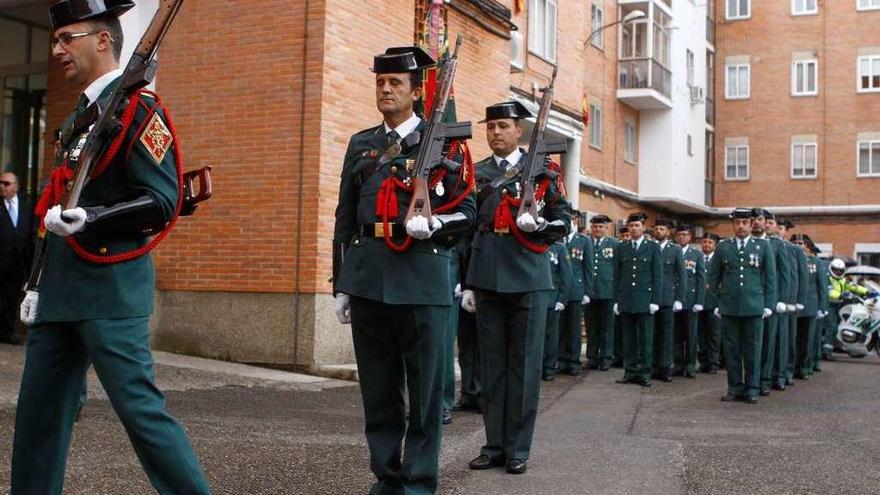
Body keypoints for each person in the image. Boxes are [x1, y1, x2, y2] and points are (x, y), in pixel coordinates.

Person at [12, 2, 212, 493]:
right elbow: (57, 203)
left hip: (110, 289)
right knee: (38, 418)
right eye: (55, 40)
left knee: (142, 414)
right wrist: (35, 281)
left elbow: (162, 200)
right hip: (60, 291)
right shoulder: (82, 115)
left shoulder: (140, 110)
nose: (57, 48)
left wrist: (94, 218)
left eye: (67, 38)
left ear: (103, 40)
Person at [332, 45, 476, 494]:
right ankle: (386, 479)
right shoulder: (362, 143)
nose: (386, 89)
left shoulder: (447, 143)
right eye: (380, 82)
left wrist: (434, 224)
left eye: (396, 82)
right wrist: (341, 281)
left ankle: (417, 483)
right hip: (369, 278)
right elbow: (345, 214)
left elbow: (468, 211)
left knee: (426, 393)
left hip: (421, 278)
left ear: (416, 91)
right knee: (378, 392)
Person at [462, 101, 570, 475]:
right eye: (490, 127)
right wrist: (468, 283)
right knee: (491, 367)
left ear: (519, 131)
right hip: (488, 277)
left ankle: (518, 448)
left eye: (502, 126)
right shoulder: (476, 173)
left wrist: (537, 225)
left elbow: (563, 223)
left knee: (523, 368)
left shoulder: (541, 172)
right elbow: (467, 231)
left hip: (528, 278)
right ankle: (493, 445)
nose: (495, 133)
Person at [708, 208, 776, 404]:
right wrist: (716, 302)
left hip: (754, 306)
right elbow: (713, 277)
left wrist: (768, 305)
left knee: (753, 349)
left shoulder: (762, 246)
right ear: (733, 224)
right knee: (731, 349)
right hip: (729, 306)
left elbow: (770, 278)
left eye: (744, 223)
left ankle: (752, 388)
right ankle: (734, 388)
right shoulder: (723, 247)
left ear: (751, 224)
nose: (740, 226)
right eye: (737, 223)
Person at [614, 212, 662, 387]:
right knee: (628, 339)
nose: (634, 229)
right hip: (627, 298)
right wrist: (616, 301)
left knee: (645, 339)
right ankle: (630, 371)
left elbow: (658, 275)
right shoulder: (622, 247)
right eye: (631, 226)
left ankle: (645, 373)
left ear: (643, 227)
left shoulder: (653, 247)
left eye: (637, 226)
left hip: (645, 299)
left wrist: (655, 300)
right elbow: (617, 275)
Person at [751, 209, 789, 397]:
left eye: (760, 219)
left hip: (770, 300)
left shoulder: (776, 244)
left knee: (767, 343)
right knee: (750, 344)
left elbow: (784, 274)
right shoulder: (745, 244)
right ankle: (750, 380)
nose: (757, 223)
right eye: (754, 220)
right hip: (750, 301)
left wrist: (781, 299)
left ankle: (764, 380)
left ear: (766, 222)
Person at [0, 172, 34, 345]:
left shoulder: (26, 207)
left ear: (16, 186)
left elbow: (29, 235)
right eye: (1, 183)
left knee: (12, 297)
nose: (2, 187)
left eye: (6, 183)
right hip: (1, 260)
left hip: (18, 262)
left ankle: (8, 331)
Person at [558, 211, 591, 375]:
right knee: (560, 328)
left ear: (576, 221)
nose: (569, 222)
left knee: (574, 329)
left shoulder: (583, 241)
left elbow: (588, 268)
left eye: (571, 219)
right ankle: (561, 359)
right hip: (559, 292)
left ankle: (574, 362)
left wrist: (587, 291)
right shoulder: (557, 239)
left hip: (576, 291)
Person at [652, 219, 685, 383]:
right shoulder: (649, 247)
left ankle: (665, 367)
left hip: (667, 297)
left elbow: (682, 275)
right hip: (651, 297)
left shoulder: (675, 250)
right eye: (657, 228)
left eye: (662, 228)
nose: (658, 231)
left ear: (668, 232)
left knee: (666, 335)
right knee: (652, 334)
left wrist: (679, 298)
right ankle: (652, 366)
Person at [585, 215, 618, 371]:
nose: (598, 229)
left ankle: (606, 357)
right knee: (592, 326)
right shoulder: (586, 242)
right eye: (595, 227)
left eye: (601, 227)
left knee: (607, 326)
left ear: (606, 228)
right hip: (590, 291)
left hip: (608, 291)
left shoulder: (614, 244)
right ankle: (592, 357)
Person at [672, 225, 704, 378]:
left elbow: (700, 278)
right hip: (674, 299)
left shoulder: (696, 254)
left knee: (691, 335)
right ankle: (678, 364)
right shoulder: (671, 252)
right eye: (679, 234)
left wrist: (699, 300)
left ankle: (691, 365)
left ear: (690, 237)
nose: (681, 237)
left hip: (691, 301)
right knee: (676, 335)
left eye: (684, 234)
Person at [542, 239, 572, 381]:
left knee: (551, 337)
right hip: (535, 298)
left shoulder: (559, 248)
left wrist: (562, 298)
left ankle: (549, 368)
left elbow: (566, 274)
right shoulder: (534, 244)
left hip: (552, 299)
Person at [612, 224, 631, 367]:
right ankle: (618, 356)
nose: (625, 238)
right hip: (620, 294)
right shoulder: (619, 250)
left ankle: (628, 357)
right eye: (622, 236)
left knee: (630, 332)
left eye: (627, 236)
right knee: (618, 330)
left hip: (633, 295)